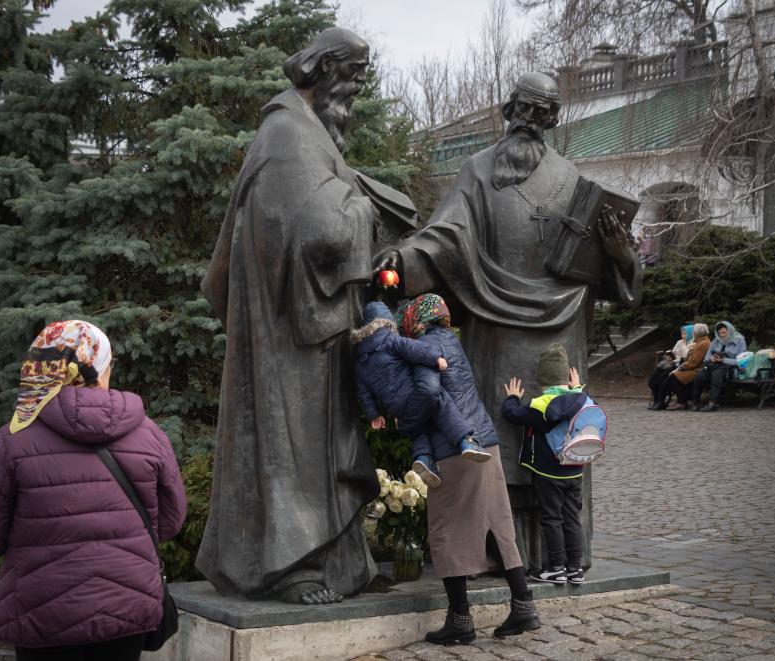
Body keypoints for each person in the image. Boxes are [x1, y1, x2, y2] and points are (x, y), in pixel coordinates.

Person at [376, 72, 641, 573]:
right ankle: (494, 551)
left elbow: (609, 272)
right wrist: (402, 259)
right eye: (524, 109)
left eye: (542, 113)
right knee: (494, 436)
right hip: (494, 331)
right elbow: (443, 237)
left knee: (556, 441)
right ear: (508, 110)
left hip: (562, 334)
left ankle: (561, 555)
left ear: (553, 120)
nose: (531, 120)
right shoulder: (477, 172)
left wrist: (622, 256)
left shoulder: (573, 180)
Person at [197, 28, 382, 605]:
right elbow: (318, 232)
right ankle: (291, 566)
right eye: (352, 74)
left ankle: (330, 561)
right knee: (293, 449)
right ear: (324, 68)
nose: (356, 87)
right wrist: (368, 207)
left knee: (318, 451)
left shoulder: (305, 134)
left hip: (312, 331)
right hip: (290, 339)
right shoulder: (287, 134)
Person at [0, 320, 187, 661]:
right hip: (125, 609)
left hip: (41, 612)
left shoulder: (11, 441)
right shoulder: (150, 435)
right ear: (98, 368)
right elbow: (170, 524)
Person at [396, 295, 540, 644]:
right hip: (484, 441)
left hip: (454, 447)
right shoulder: (451, 342)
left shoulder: (426, 347)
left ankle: (460, 619)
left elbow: (429, 394)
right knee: (497, 524)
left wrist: (406, 421)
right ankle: (523, 604)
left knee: (447, 527)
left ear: (416, 320)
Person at [351, 301, 488, 488]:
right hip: (413, 391)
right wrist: (435, 359)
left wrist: (374, 415)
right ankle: (466, 442)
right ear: (386, 323)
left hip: (396, 407)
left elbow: (363, 393)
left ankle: (423, 458)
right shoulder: (390, 340)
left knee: (417, 429)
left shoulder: (360, 362)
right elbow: (414, 350)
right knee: (443, 407)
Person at [501, 343, 589, 586]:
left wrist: (512, 397)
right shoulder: (581, 399)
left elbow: (511, 414)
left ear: (542, 379)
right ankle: (575, 569)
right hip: (575, 469)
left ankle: (556, 568)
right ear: (567, 377)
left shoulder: (539, 405)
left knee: (551, 519)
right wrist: (577, 387)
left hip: (548, 473)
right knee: (572, 518)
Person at [691, 321, 746, 412]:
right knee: (699, 376)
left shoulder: (740, 340)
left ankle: (713, 403)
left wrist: (724, 360)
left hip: (729, 367)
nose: (722, 335)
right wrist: (711, 359)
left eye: (724, 332)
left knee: (717, 375)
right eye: (720, 333)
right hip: (713, 365)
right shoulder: (716, 341)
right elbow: (706, 358)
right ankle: (695, 402)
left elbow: (742, 361)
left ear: (729, 331)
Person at [660, 323, 711, 410]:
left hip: (697, 370)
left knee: (673, 378)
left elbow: (694, 362)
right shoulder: (700, 342)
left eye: (694, 332)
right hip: (693, 368)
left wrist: (679, 368)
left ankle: (681, 402)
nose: (692, 334)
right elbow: (692, 359)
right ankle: (680, 401)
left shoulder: (703, 343)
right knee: (671, 377)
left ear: (697, 333)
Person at [647, 324, 693, 409]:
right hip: (673, 364)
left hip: (682, 366)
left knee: (664, 377)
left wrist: (683, 345)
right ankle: (656, 400)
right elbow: (673, 351)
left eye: (685, 334)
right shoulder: (679, 342)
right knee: (655, 375)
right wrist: (667, 356)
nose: (683, 336)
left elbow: (687, 356)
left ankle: (661, 401)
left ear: (691, 334)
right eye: (682, 334)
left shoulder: (692, 344)